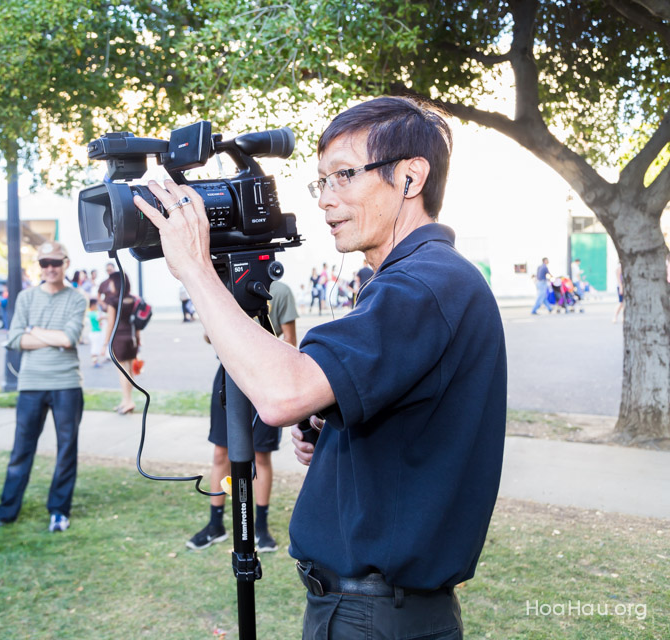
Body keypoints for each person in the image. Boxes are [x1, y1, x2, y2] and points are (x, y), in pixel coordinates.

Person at [132, 96, 507, 638]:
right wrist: (329, 431)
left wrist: (193, 267)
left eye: (344, 176)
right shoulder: (411, 280)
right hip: (366, 608)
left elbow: (282, 394)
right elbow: (374, 414)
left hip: (374, 615)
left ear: (410, 176)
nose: (326, 199)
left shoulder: (423, 284)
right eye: (321, 182)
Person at [0, 241, 87, 534]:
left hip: (66, 384)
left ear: (66, 262)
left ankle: (59, 511)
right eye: (44, 263)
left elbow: (70, 338)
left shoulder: (77, 298)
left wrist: (34, 331)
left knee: (66, 450)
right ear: (38, 266)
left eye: (55, 262)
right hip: (31, 383)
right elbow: (14, 340)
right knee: (21, 451)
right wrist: (51, 336)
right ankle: (6, 512)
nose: (50, 268)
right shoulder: (26, 298)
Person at [187, 278, 298, 554]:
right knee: (220, 454)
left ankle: (260, 527)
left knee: (260, 456)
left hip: (266, 380)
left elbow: (291, 340)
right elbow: (208, 335)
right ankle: (216, 525)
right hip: (228, 377)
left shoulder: (280, 291)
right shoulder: (223, 287)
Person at [102, 271, 140, 415]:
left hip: (118, 338)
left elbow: (111, 323)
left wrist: (105, 343)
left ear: (116, 282)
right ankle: (126, 401)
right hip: (131, 337)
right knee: (129, 370)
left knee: (122, 372)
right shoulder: (132, 299)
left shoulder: (113, 300)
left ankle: (128, 401)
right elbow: (136, 322)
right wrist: (138, 339)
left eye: (111, 281)